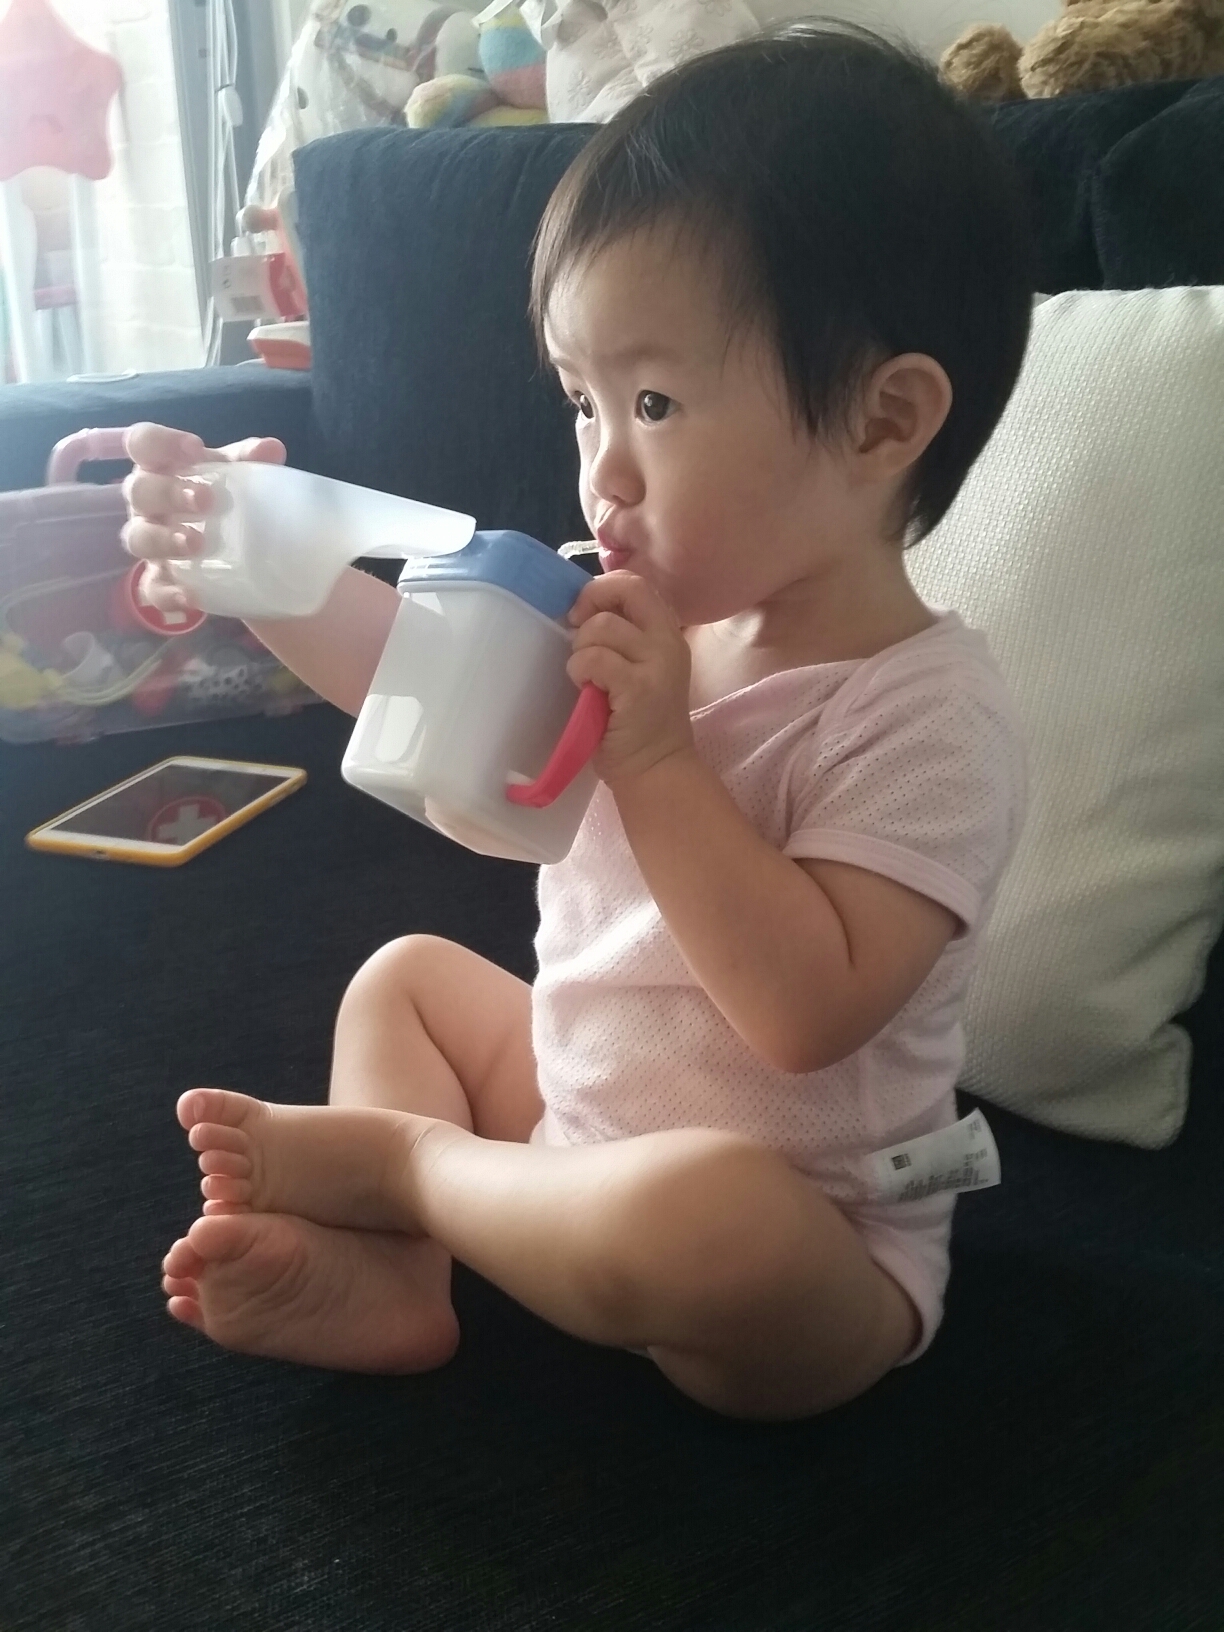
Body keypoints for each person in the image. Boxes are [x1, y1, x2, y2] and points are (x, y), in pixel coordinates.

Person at [124, 23, 1033, 1421]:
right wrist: (256, 565)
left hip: (805, 1239)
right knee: (406, 980)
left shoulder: (927, 713)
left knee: (711, 1214)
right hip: (573, 1127)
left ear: (880, 422)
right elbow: (406, 675)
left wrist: (658, 757)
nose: (601, 467)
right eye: (580, 399)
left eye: (652, 401)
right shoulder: (621, 609)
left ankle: (410, 1176)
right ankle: (401, 1277)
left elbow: (804, 1015)